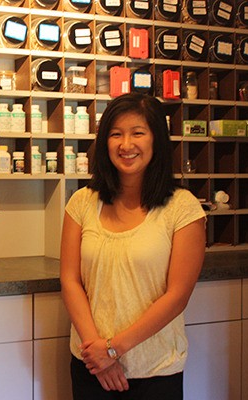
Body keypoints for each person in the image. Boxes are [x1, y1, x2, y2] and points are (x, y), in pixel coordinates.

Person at [60, 93, 206, 399]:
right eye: (116, 134)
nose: (126, 145)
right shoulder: (82, 202)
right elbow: (70, 280)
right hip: (90, 365)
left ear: (156, 140)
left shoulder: (183, 208)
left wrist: (113, 349)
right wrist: (98, 355)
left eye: (137, 133)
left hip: (155, 369)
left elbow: (177, 295)